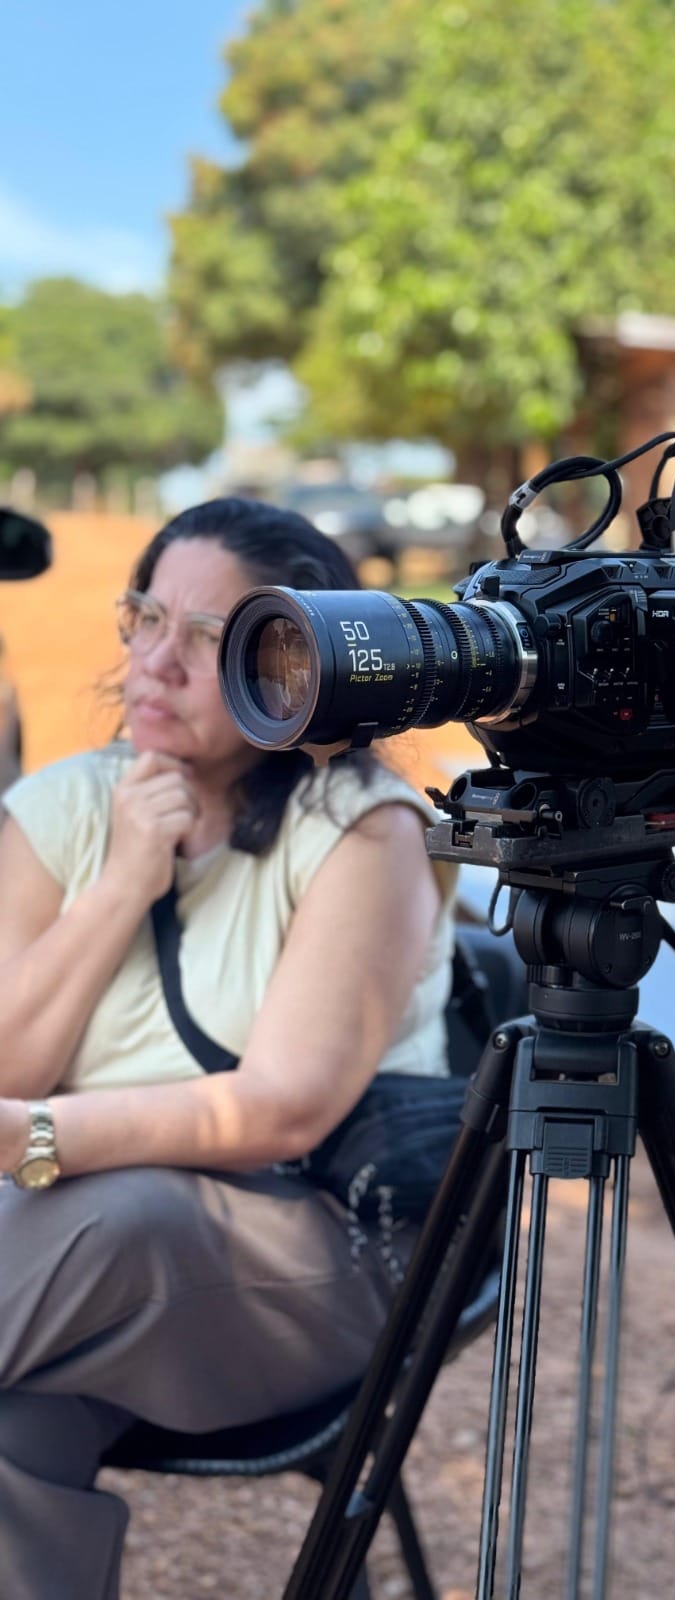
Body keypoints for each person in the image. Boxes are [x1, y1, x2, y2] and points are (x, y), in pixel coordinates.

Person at [0, 498, 457, 1600]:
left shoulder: (361, 828)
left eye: (209, 638)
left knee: (129, 1215)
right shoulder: (63, 807)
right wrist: (120, 885)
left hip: (305, 1255)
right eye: (147, 617)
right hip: (65, 1268)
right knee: (12, 1430)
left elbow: (282, 1106)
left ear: (296, 664)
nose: (158, 662)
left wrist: (42, 1138)